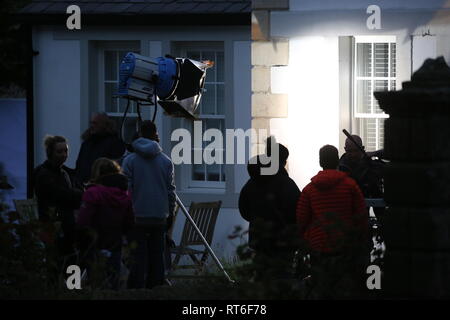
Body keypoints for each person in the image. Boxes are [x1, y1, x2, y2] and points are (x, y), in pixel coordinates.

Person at [296, 145, 369, 299]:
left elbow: (301, 220)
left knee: (322, 287)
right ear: (337, 160)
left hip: (318, 245)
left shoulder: (309, 189)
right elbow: (361, 216)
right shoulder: (350, 186)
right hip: (345, 245)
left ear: (320, 161)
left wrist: (306, 239)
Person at [122, 120, 176, 289]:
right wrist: (170, 214)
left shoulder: (129, 160)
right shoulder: (166, 161)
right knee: (157, 255)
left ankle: (136, 288)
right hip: (159, 215)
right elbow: (170, 191)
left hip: (136, 215)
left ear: (139, 133)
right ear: (155, 134)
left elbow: (127, 190)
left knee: (137, 255)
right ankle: (155, 288)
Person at [239, 139, 301, 279]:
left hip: (259, 242)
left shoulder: (252, 182)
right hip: (283, 244)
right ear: (283, 162)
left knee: (262, 282)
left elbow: (244, 210)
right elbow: (298, 212)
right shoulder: (287, 184)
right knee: (282, 284)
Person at [76, 158, 135, 289]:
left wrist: (80, 239)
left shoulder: (93, 193)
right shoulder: (125, 195)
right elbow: (129, 221)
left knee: (96, 282)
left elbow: (83, 221)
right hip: (115, 243)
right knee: (113, 281)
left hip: (95, 243)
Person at [34, 135, 83, 265]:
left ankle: (72, 285)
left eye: (65, 151)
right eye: (59, 151)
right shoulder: (44, 174)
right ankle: (68, 285)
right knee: (59, 261)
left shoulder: (64, 172)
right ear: (50, 152)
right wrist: (79, 194)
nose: (64, 155)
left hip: (65, 224)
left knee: (70, 260)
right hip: (55, 225)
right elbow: (61, 194)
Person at [76, 112, 126, 184]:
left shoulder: (114, 144)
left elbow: (114, 169)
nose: (92, 126)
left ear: (105, 125)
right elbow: (79, 166)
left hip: (102, 188)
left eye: (95, 123)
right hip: (84, 187)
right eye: (92, 123)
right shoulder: (86, 144)